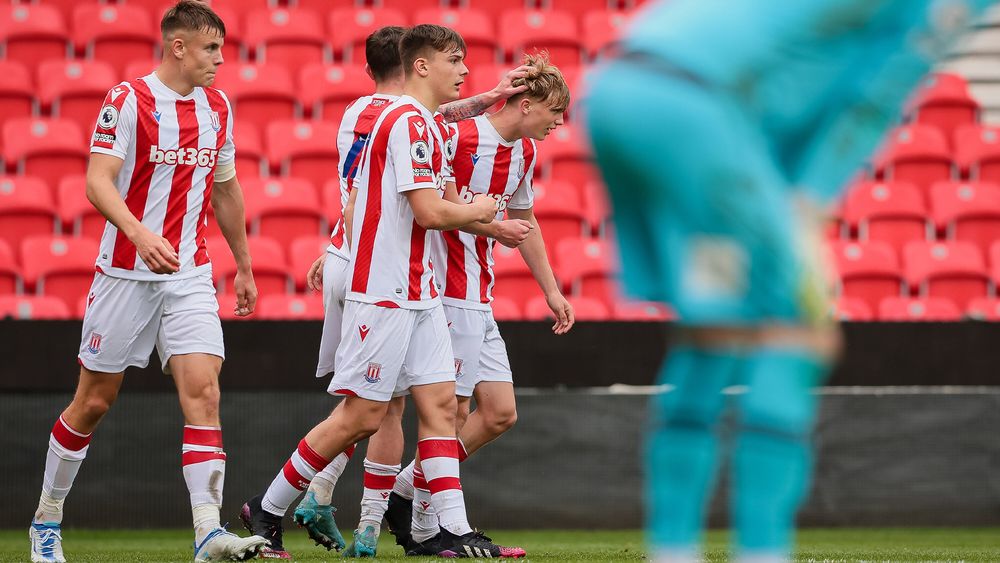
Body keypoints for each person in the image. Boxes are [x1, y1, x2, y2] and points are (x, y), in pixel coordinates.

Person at [584, 1, 993, 561]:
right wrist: (808, 204)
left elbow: (787, 93)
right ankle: (762, 550)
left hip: (620, 94)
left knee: (714, 332)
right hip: (697, 109)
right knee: (801, 331)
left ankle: (673, 547)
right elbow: (874, 95)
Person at [239, 24, 524, 560]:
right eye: (455, 61)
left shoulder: (411, 119)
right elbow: (429, 211)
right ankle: (268, 507)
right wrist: (482, 211)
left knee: (442, 408)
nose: (465, 71)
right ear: (421, 66)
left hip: (421, 289)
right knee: (361, 416)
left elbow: (433, 145)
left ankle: (453, 531)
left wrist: (488, 100)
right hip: (384, 288)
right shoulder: (405, 122)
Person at [28, 2, 268, 562]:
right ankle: (46, 519)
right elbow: (97, 181)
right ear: (177, 47)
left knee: (205, 392)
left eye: (222, 49)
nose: (220, 60)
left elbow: (225, 189)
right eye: (210, 49)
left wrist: (246, 265)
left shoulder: (219, 107)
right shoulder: (127, 100)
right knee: (93, 402)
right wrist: (138, 234)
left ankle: (208, 533)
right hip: (124, 275)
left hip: (190, 274)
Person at [389, 51, 577, 556]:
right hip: (445, 290)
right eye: (554, 111)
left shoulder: (524, 154)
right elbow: (434, 211)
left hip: (479, 293)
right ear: (526, 103)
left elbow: (526, 220)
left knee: (498, 414)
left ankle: (405, 492)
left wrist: (552, 290)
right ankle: (437, 533)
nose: (560, 122)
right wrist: (493, 227)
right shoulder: (458, 135)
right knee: (451, 412)